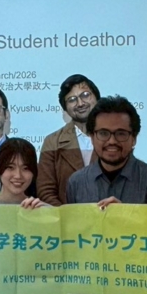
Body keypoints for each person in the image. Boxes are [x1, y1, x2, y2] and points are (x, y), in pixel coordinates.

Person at [65, 95, 147, 206]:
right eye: (103, 133)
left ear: (134, 138)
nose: (112, 141)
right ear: (92, 137)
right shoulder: (77, 182)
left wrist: (123, 214)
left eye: (121, 134)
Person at [37, 75, 101, 205]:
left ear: (97, 98)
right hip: (66, 216)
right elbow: (45, 191)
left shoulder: (114, 137)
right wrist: (66, 215)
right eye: (72, 100)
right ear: (65, 108)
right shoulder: (53, 142)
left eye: (85, 95)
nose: (80, 103)